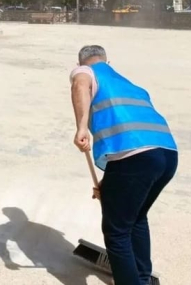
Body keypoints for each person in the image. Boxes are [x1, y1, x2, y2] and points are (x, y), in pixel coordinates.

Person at [70, 45, 178, 285]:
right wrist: (108, 184)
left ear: (81, 62)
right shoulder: (132, 86)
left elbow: (80, 84)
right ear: (108, 62)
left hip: (134, 156)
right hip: (167, 155)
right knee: (137, 217)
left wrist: (81, 127)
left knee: (116, 232)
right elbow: (134, 138)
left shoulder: (86, 72)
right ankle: (142, 278)